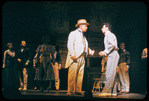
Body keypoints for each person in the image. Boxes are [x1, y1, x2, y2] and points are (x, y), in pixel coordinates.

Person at [65, 19, 95, 95]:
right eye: (85, 25)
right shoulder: (73, 33)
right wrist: (72, 54)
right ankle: (70, 90)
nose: (87, 27)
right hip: (75, 57)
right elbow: (70, 44)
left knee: (80, 74)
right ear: (81, 26)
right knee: (72, 74)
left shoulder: (83, 37)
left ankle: (78, 90)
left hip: (82, 57)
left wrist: (90, 51)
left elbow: (84, 46)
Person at [98, 23, 119, 96]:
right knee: (112, 73)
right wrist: (105, 52)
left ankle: (107, 91)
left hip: (113, 54)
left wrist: (104, 52)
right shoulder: (109, 35)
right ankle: (113, 92)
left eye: (102, 27)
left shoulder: (109, 35)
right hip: (112, 54)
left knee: (110, 73)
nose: (101, 29)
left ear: (107, 28)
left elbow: (112, 45)